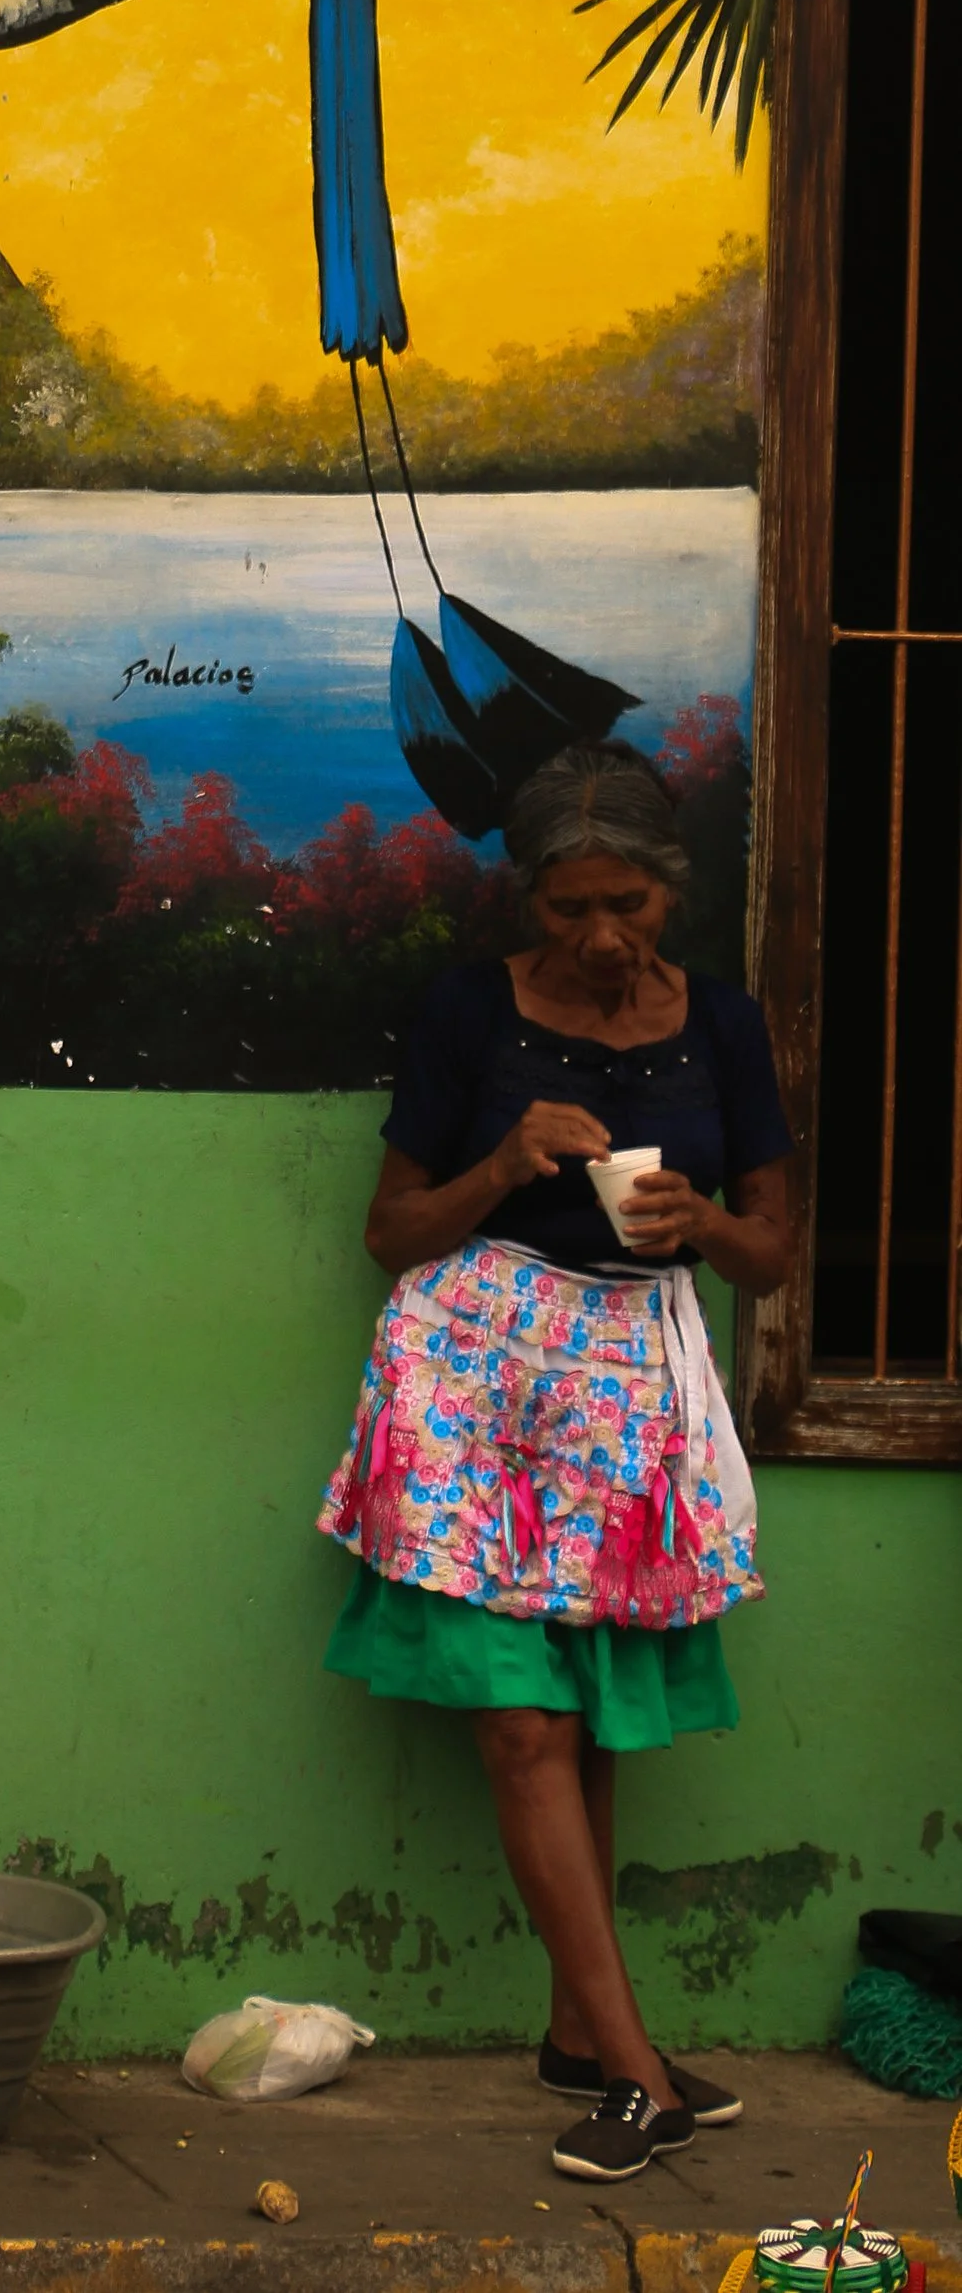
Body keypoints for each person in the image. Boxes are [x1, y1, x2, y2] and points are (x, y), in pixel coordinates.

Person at [318, 739, 791, 2187]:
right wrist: (505, 1156)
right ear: (532, 896)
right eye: (573, 905)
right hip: (473, 1379)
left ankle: (579, 2038)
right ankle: (638, 2070)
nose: (600, 935)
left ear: (669, 892)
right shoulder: (470, 1011)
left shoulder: (722, 1022)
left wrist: (698, 1225)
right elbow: (392, 1232)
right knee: (522, 1726)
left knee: (582, 1718)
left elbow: (771, 1252)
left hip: (633, 1394)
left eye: (629, 905)